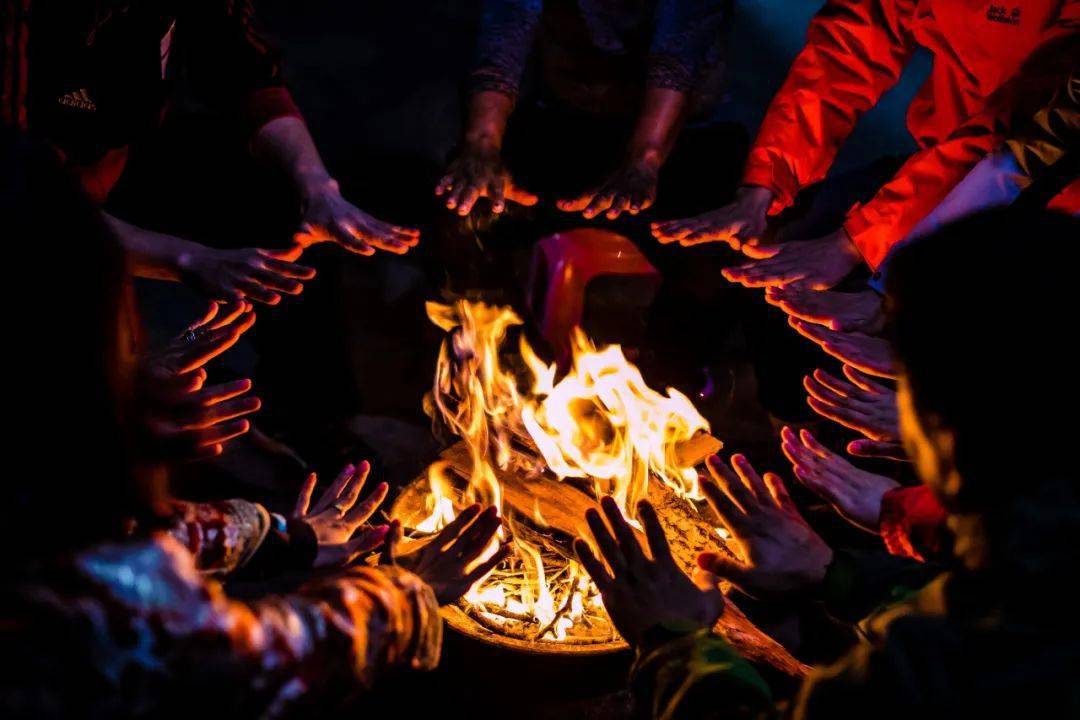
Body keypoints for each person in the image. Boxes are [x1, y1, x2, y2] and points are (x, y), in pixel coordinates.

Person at [0, 137, 508, 718]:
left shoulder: (34, 479)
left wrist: (280, 536)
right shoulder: (83, 600)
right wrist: (409, 592)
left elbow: (102, 519)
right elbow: (256, 662)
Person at [575, 207, 1080, 718]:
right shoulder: (1039, 568)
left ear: (939, 428)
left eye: (900, 382)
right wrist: (835, 575)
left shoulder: (954, 667)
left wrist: (673, 645)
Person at [1, 0, 419, 307]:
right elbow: (25, 196)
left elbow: (247, 76)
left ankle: (297, 416)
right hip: (33, 199)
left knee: (277, 198)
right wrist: (188, 259)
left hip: (121, 151)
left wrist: (319, 190)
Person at [652, 0, 1079, 290]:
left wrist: (858, 242)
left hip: (1049, 204)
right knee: (785, 266)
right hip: (938, 164)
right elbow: (846, 50)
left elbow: (1020, 129)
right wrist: (762, 187)